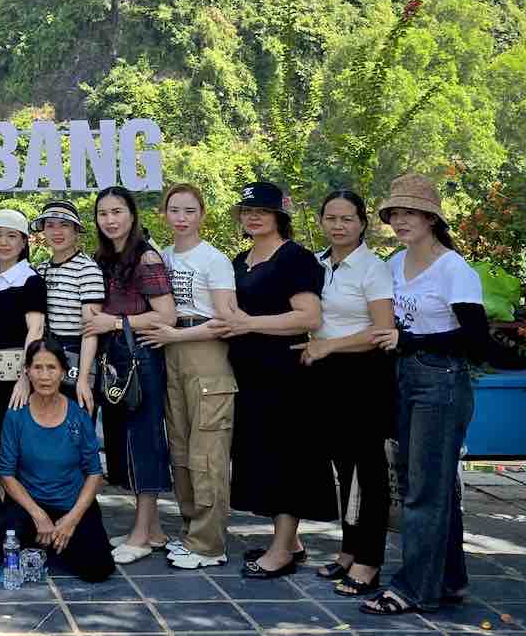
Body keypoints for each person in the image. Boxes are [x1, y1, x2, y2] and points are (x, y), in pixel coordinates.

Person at [363, 174, 487, 616]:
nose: (400, 220)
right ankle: (449, 579)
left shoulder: (454, 270)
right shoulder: (395, 264)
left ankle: (415, 588)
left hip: (442, 382)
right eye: (395, 213)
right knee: (431, 487)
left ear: (432, 218)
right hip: (405, 378)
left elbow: (475, 339)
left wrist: (413, 342)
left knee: (424, 491)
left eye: (410, 212)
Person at [215, 181, 333, 579]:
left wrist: (250, 323)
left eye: (261, 211)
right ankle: (291, 542)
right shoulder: (239, 259)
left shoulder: (295, 259)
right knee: (260, 459)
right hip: (248, 375)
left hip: (286, 376)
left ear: (279, 216)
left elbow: (309, 317)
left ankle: (282, 550)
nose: (252, 216)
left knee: (286, 462)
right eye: (247, 210)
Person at [291, 190, 396, 594]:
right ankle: (349, 550)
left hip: (364, 376)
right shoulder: (317, 264)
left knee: (369, 473)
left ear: (363, 223)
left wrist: (329, 345)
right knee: (344, 469)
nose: (338, 226)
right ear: (321, 221)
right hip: (324, 377)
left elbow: (382, 330)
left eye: (347, 219)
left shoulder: (374, 268)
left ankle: (369, 561)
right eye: (331, 218)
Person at [137, 184, 240, 570]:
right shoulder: (161, 256)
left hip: (204, 351)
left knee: (207, 452)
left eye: (190, 211)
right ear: (163, 214)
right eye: (174, 210)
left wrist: (177, 335)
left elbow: (227, 320)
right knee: (180, 448)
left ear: (202, 215)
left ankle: (210, 544)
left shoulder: (214, 259)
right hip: (170, 353)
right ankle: (191, 532)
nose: (181, 217)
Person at [81, 186, 176, 565]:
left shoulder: (145, 257)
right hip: (115, 360)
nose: (110, 220)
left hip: (142, 360)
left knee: (144, 442)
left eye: (117, 211)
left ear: (132, 215)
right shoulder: (105, 258)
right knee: (124, 444)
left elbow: (165, 315)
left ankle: (140, 534)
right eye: (103, 214)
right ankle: (152, 530)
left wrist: (115, 322)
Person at [0, 341, 115, 583]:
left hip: (71, 503)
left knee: (98, 569)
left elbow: (94, 473)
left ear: (63, 371)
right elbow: (6, 474)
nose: (45, 376)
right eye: (37, 368)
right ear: (27, 371)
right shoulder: (16, 415)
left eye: (52, 368)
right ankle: (49, 540)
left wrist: (72, 520)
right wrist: (38, 515)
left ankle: (58, 541)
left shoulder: (78, 414)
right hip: (30, 504)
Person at [0, 208, 45, 438]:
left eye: (12, 236)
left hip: (16, 372)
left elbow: (36, 329)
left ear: (24, 242)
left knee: (19, 434)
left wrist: (26, 377)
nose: (3, 242)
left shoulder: (30, 280)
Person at [31, 201, 106, 411]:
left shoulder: (87, 269)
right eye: (50, 225)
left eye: (64, 225)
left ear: (76, 230)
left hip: (78, 352)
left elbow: (91, 329)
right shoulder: (41, 269)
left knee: (77, 424)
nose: (57, 231)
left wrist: (83, 378)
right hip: (48, 352)